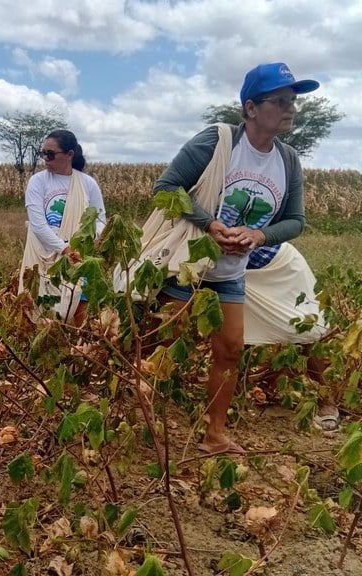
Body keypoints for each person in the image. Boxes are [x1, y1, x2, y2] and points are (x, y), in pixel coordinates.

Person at [153, 62, 319, 454]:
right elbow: (166, 187)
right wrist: (211, 225)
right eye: (281, 101)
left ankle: (214, 435)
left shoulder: (288, 160)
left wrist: (258, 235)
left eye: (292, 101)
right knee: (164, 343)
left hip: (230, 271)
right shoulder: (218, 141)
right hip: (187, 264)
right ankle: (140, 417)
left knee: (229, 349)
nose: (291, 109)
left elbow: (295, 221)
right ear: (251, 108)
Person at [245, 243, 339, 430]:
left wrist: (257, 236)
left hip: (280, 266)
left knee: (303, 331)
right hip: (231, 268)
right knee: (237, 330)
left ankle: (326, 399)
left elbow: (293, 225)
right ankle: (235, 395)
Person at [18, 129, 106, 327]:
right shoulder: (38, 181)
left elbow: (100, 220)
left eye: (50, 154)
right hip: (42, 256)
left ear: (69, 154)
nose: (45, 159)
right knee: (39, 312)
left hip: (79, 257)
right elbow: (38, 224)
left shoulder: (87, 184)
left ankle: (80, 345)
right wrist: (65, 249)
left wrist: (86, 242)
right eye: (43, 153)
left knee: (81, 312)